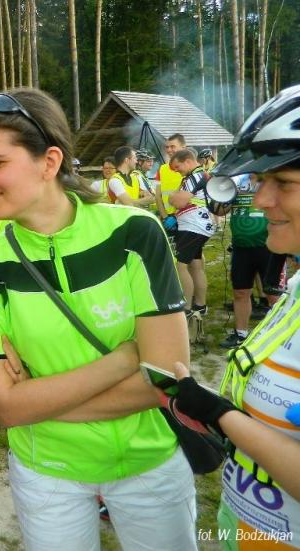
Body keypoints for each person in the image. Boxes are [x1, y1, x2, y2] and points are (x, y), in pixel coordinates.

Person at [0, 89, 197, 551]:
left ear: (49, 162)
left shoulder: (134, 233)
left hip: (150, 462)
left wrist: (36, 399)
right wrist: (126, 359)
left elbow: (166, 380)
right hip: (49, 474)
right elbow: (7, 409)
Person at [171, 84, 300, 549]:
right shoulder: (297, 288)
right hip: (242, 529)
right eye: (262, 182)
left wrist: (221, 416)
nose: (261, 200)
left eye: (283, 183)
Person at [218, 174, 285, 348]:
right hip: (241, 245)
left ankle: (280, 337)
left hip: (269, 246)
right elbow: (219, 211)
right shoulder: (238, 180)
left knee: (274, 294)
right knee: (240, 292)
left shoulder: (274, 177)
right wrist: (224, 193)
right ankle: (241, 334)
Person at [169, 148, 214, 315]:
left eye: (177, 167)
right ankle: (200, 306)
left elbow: (178, 202)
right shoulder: (200, 175)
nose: (177, 171)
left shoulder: (194, 176)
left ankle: (186, 308)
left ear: (188, 161)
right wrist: (175, 196)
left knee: (180, 266)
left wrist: (172, 197)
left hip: (193, 226)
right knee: (196, 266)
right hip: (197, 225)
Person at [156, 133, 186, 226]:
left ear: (183, 148)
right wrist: (165, 217)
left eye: (172, 147)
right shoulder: (162, 169)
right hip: (167, 218)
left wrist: (176, 216)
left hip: (186, 217)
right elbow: (158, 196)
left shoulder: (190, 168)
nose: (169, 150)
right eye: (167, 147)